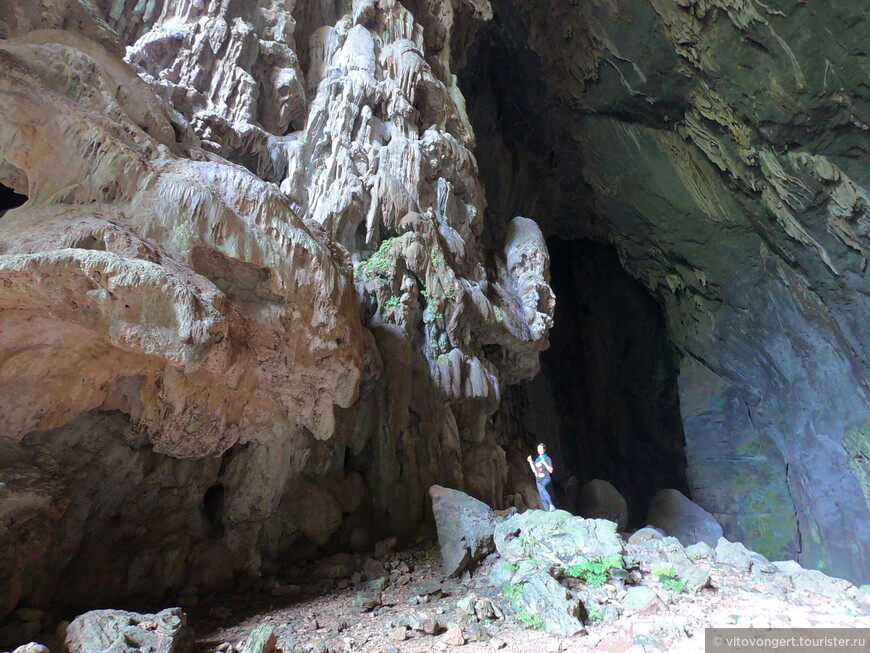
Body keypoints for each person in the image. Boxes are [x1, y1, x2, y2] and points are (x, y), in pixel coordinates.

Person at [527, 443, 555, 511]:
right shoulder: (537, 459)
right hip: (538, 480)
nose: (540, 450)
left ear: (544, 450)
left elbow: (551, 470)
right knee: (542, 497)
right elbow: (535, 471)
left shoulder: (547, 458)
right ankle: (547, 511)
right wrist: (530, 462)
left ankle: (551, 505)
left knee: (542, 488)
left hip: (546, 478)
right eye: (538, 449)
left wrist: (544, 463)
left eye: (541, 448)